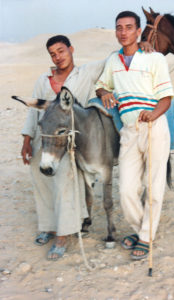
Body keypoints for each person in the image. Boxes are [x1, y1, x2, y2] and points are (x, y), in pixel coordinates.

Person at [21, 34, 152, 260]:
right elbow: (34, 111)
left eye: (61, 51)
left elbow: (112, 58)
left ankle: (62, 235)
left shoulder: (85, 72)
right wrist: (26, 140)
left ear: (71, 49)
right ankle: (49, 226)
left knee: (63, 179)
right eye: (53, 54)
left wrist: (136, 45)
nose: (58, 56)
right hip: (45, 136)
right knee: (39, 176)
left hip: (69, 138)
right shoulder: (43, 79)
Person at [96, 11, 174, 260]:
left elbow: (166, 97)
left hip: (154, 127)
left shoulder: (154, 59)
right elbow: (101, 84)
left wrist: (153, 114)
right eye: (119, 27)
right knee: (127, 190)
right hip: (128, 131)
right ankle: (143, 229)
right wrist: (103, 93)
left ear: (138, 31)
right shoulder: (113, 61)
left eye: (129, 27)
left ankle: (145, 237)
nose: (123, 32)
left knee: (153, 186)